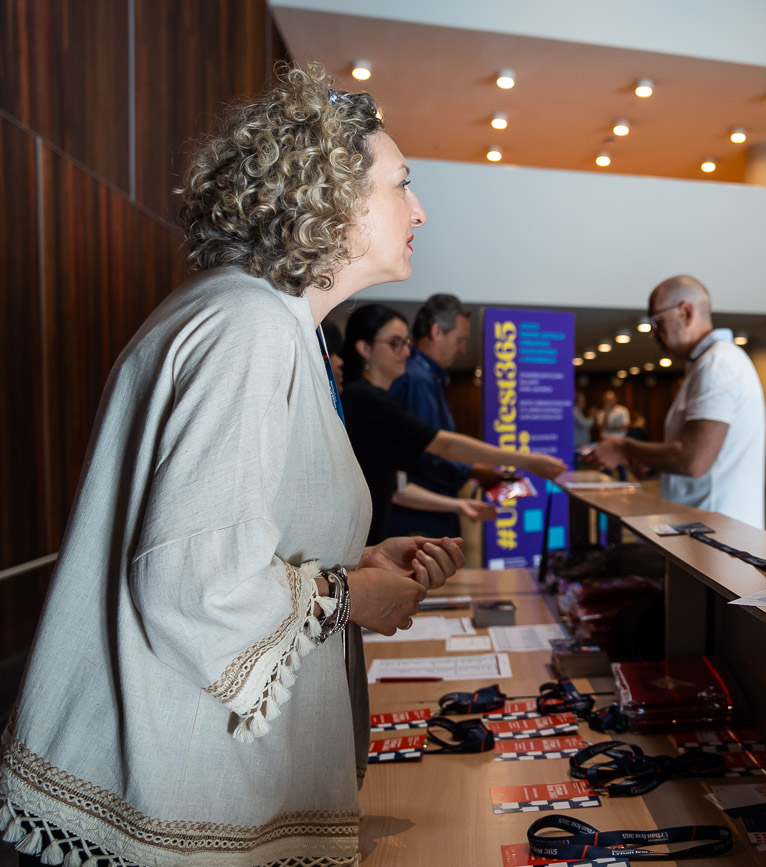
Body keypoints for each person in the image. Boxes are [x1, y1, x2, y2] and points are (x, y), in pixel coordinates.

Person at [0, 65, 467, 866]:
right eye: (401, 184)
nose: (419, 209)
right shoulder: (246, 326)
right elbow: (193, 582)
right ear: (328, 193)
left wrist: (357, 560)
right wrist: (351, 596)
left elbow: (227, 531)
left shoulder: (263, 319)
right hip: (178, 789)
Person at [340, 303, 565, 546]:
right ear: (364, 348)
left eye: (406, 343)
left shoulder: (379, 396)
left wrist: (460, 505)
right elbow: (443, 445)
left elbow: (398, 488)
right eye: (396, 343)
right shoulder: (367, 398)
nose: (406, 352)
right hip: (377, 537)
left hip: (376, 537)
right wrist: (527, 460)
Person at [593, 275, 766, 527]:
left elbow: (693, 459)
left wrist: (624, 448)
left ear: (685, 312)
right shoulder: (707, 363)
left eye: (657, 321)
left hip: (719, 534)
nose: (652, 333)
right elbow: (704, 455)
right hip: (707, 526)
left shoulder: (718, 364)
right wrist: (656, 465)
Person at [388, 293, 503, 538]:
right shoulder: (418, 379)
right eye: (460, 340)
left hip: (425, 508)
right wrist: (471, 470)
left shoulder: (427, 376)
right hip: (420, 515)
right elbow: (432, 449)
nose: (462, 350)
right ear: (436, 331)